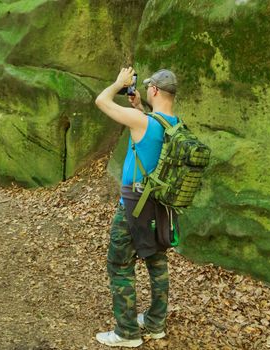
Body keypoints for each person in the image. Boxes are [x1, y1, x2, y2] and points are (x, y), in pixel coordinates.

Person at [94, 67, 179, 347]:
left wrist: (118, 83)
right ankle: (155, 323)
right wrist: (140, 107)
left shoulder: (142, 122)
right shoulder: (174, 124)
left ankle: (127, 332)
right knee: (156, 262)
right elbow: (152, 145)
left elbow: (101, 101)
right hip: (159, 207)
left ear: (154, 89)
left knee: (119, 266)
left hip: (134, 206)